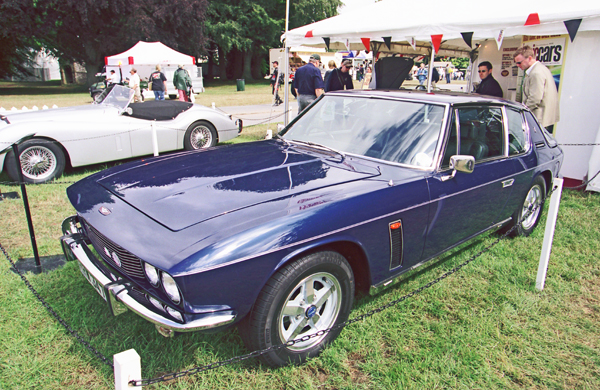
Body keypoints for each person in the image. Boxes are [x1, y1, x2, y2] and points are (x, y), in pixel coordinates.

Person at [513, 45, 560, 131]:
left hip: (538, 118)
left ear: (530, 58)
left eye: (519, 62)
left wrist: (522, 112)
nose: (517, 65)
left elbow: (535, 99)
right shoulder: (540, 69)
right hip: (542, 118)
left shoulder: (536, 73)